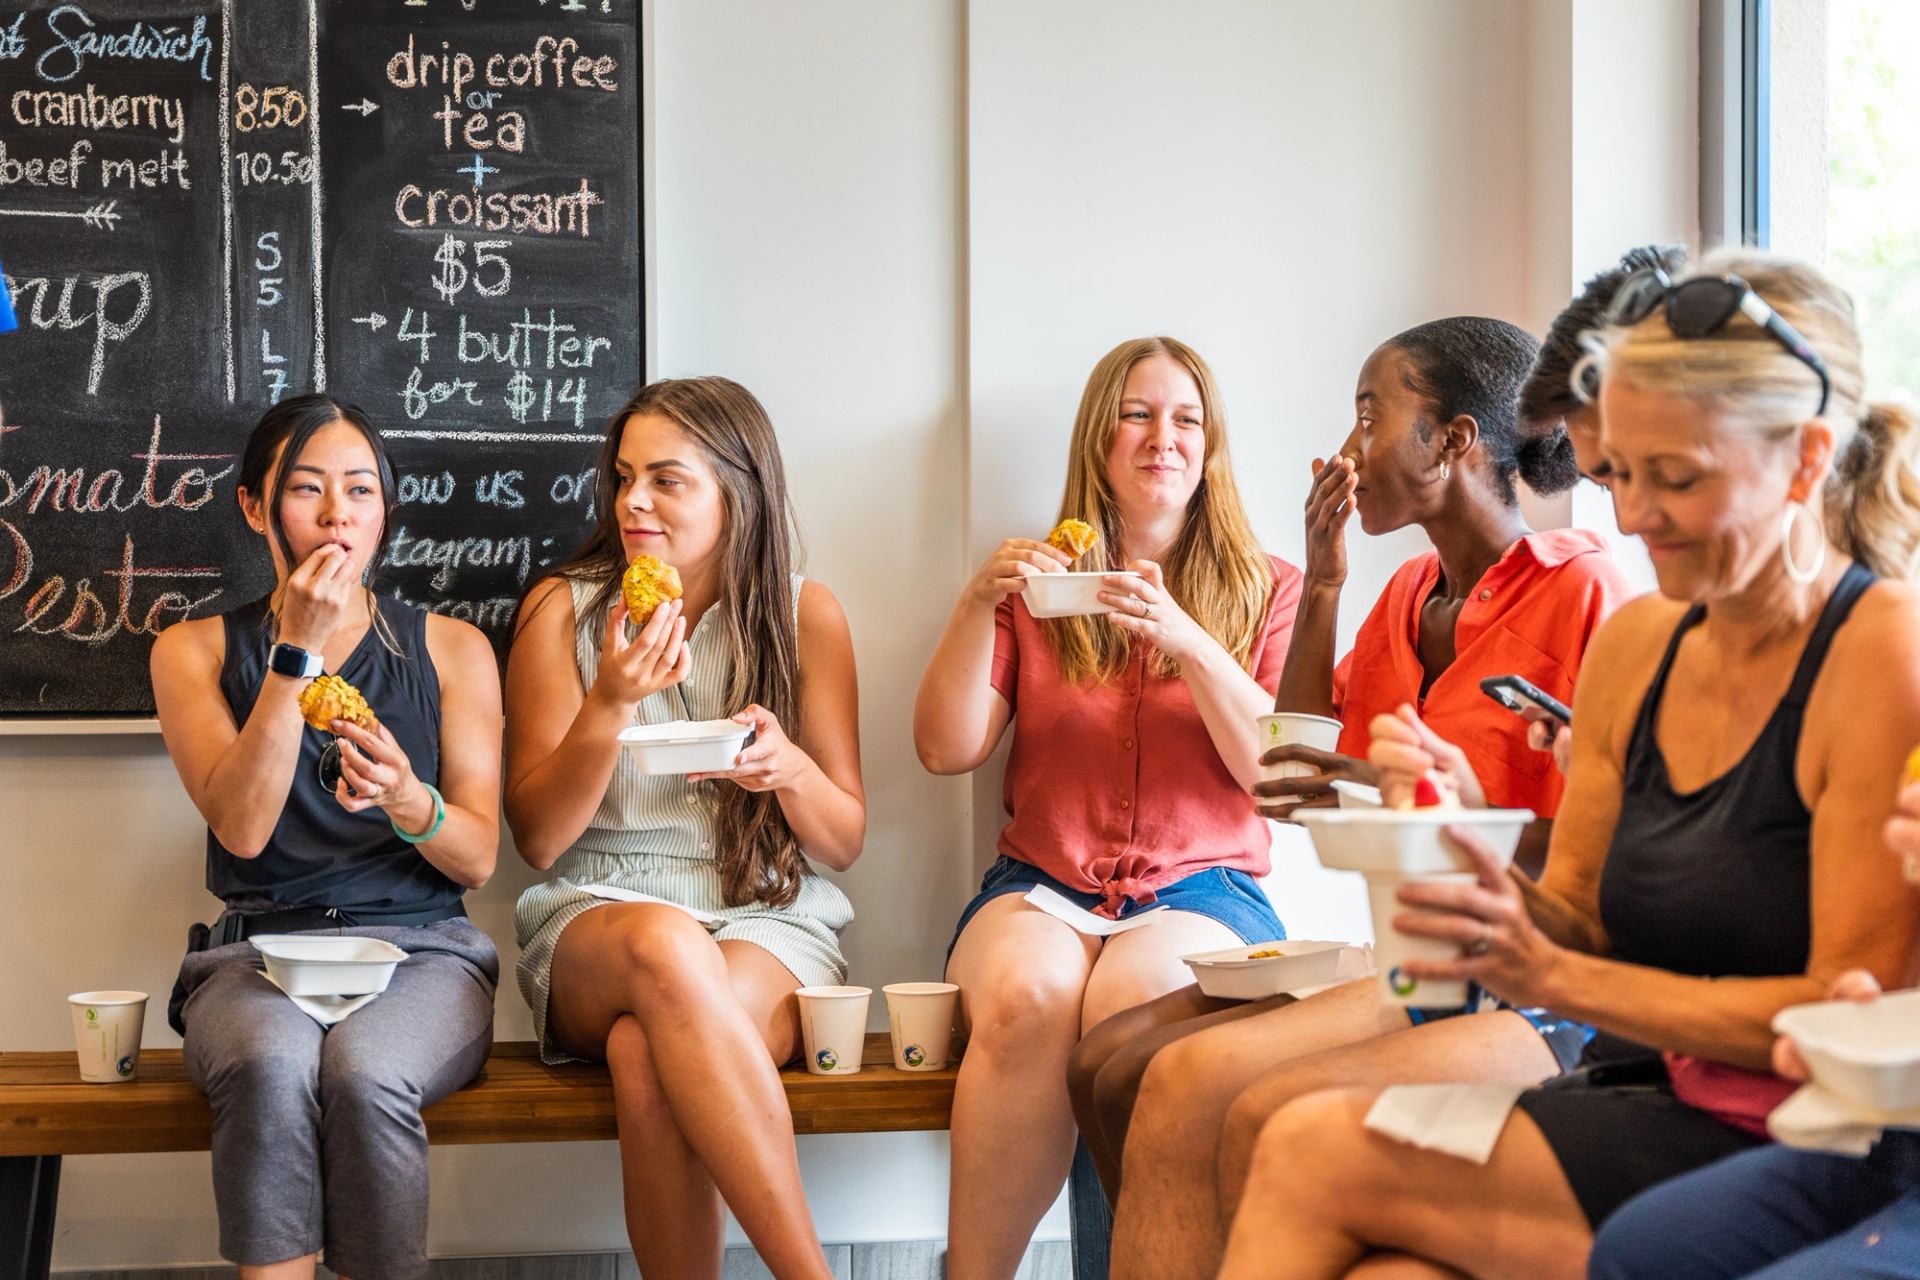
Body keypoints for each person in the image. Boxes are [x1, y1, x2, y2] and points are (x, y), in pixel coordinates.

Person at [1216, 251, 1920, 1280]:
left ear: (1806, 462)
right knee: (1339, 1201)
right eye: (1619, 475)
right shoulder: (1641, 644)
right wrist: (1473, 854)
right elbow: (1580, 912)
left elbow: (1829, 1006)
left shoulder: (1879, 655)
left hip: (1796, 1123)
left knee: (1307, 1152)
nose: (1632, 516)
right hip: (1643, 1087)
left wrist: (1554, 972)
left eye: (1675, 478)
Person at [1074, 318, 1632, 1280]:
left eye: (1371, 417)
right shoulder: (1412, 593)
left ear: (1452, 442)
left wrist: (1430, 808)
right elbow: (1291, 774)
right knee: (1103, 1064)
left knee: (1181, 1085)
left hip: (1519, 974)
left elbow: (1613, 856)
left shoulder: (1585, 590)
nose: (1347, 449)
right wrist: (1324, 580)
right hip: (1419, 952)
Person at [914, 336, 1301, 1279]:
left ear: (1211, 448)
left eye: (1185, 419)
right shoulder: (1043, 590)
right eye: (1137, 414)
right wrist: (977, 602)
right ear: (1100, 439)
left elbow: (1278, 779)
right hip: (1040, 884)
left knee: (1138, 1003)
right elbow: (944, 748)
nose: (1160, 437)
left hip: (1203, 891)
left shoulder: (1270, 588)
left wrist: (1189, 641)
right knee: (1030, 996)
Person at [504, 377, 863, 1280]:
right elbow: (538, 841)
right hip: (597, 912)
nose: (632, 502)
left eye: (667, 480)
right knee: (665, 950)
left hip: (766, 918)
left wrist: (788, 770)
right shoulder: (563, 610)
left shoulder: (803, 614)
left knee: (646, 1049)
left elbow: (845, 839)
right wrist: (608, 702)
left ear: (737, 493)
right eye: (624, 477)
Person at [150, 394, 503, 1280]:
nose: (338, 514)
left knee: (366, 1073)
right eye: (308, 489)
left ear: (385, 506)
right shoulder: (190, 651)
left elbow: (478, 856)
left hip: (424, 954)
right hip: (256, 956)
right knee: (271, 1068)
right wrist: (292, 659)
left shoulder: (453, 649)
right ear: (256, 507)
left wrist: (407, 800)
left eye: (361, 489)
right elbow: (241, 824)